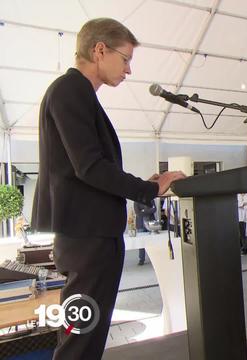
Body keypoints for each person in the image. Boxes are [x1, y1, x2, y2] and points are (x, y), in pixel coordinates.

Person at [31, 18, 186, 360]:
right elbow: (90, 167)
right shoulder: (70, 91)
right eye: (126, 58)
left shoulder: (79, 94)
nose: (129, 70)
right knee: (80, 342)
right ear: (99, 50)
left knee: (86, 338)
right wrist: (149, 190)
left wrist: (143, 185)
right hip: (88, 240)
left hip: (90, 236)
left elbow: (89, 168)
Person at [133, 201, 156, 265]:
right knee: (141, 243)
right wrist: (148, 210)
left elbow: (154, 209)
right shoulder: (136, 201)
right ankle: (141, 259)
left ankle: (154, 258)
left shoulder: (150, 199)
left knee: (152, 241)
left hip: (151, 224)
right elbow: (137, 213)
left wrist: (144, 211)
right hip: (141, 224)